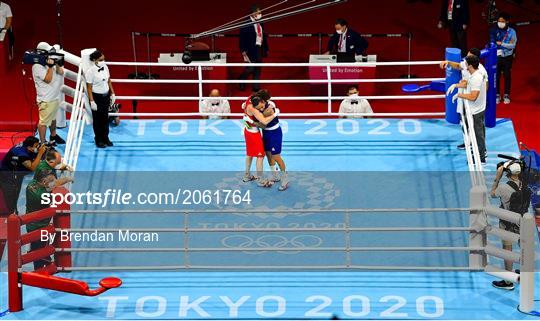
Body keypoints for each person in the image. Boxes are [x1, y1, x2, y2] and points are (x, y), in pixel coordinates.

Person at [490, 161, 531, 290]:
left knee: (507, 250)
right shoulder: (525, 185)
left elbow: (492, 194)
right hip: (523, 221)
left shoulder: (503, 187)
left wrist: (497, 177)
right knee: (524, 247)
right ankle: (525, 273)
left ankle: (508, 282)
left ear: (507, 173)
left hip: (507, 223)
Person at [25, 169, 71, 270]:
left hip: (33, 225)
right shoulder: (42, 196)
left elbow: (51, 186)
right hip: (39, 227)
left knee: (40, 249)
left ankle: (45, 266)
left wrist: (66, 179)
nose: (54, 183)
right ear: (45, 182)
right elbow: (58, 197)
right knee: (39, 252)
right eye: (51, 181)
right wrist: (64, 181)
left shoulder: (32, 184)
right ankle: (40, 272)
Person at [253, 90, 289, 191]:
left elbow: (263, 117)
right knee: (268, 154)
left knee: (276, 156)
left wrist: (254, 117)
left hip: (275, 133)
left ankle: (285, 179)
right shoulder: (258, 107)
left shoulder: (270, 106)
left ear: (263, 101)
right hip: (266, 133)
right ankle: (275, 175)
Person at [0, 136, 45, 214]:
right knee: (11, 197)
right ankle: (13, 215)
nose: (38, 147)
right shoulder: (21, 154)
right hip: (6, 175)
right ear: (29, 147)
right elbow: (32, 167)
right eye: (36, 146)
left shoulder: (26, 146)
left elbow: (33, 156)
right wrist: (40, 153)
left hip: (16, 171)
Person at [455, 55, 487, 164]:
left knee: (478, 135)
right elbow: (467, 83)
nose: (465, 65)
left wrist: (460, 95)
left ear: (470, 65)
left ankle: (481, 157)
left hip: (476, 110)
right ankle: (472, 147)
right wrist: (456, 85)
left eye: (466, 63)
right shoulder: (474, 74)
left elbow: (473, 96)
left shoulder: (477, 77)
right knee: (474, 131)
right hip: (476, 108)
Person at [242, 94, 277, 187]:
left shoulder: (250, 98)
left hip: (247, 130)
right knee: (260, 156)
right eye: (260, 107)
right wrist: (275, 114)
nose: (261, 109)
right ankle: (261, 180)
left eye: (262, 106)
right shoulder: (254, 110)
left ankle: (246, 176)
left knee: (250, 154)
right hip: (253, 134)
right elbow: (264, 122)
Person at [32, 51, 66, 144]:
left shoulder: (50, 61)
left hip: (54, 97)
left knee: (53, 119)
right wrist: (50, 67)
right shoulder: (37, 66)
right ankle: (42, 143)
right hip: (46, 100)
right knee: (43, 123)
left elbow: (61, 72)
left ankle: (53, 136)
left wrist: (58, 64)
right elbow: (48, 79)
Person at [86, 50, 116, 148]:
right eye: (101, 59)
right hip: (96, 97)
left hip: (106, 96)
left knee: (105, 118)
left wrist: (113, 93)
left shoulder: (106, 67)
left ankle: (106, 138)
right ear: (95, 60)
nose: (103, 61)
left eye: (104, 59)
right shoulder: (90, 71)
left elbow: (109, 81)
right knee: (97, 119)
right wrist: (92, 101)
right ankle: (98, 139)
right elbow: (89, 88)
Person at [239, 4, 268, 92]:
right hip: (249, 49)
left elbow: (263, 35)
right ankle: (241, 80)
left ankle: (256, 87)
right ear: (253, 14)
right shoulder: (246, 23)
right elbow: (242, 38)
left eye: (260, 13)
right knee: (250, 68)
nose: (260, 14)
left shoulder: (260, 22)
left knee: (258, 67)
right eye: (258, 13)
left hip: (259, 47)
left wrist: (266, 48)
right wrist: (242, 50)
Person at [490, 12, 517, 104]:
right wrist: (502, 46)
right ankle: (497, 94)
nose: (500, 23)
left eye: (503, 21)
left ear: (507, 22)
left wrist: (501, 44)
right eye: (499, 21)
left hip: (508, 57)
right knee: (496, 76)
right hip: (497, 56)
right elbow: (492, 43)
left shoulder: (512, 32)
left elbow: (512, 45)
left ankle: (506, 94)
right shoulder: (494, 30)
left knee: (507, 75)